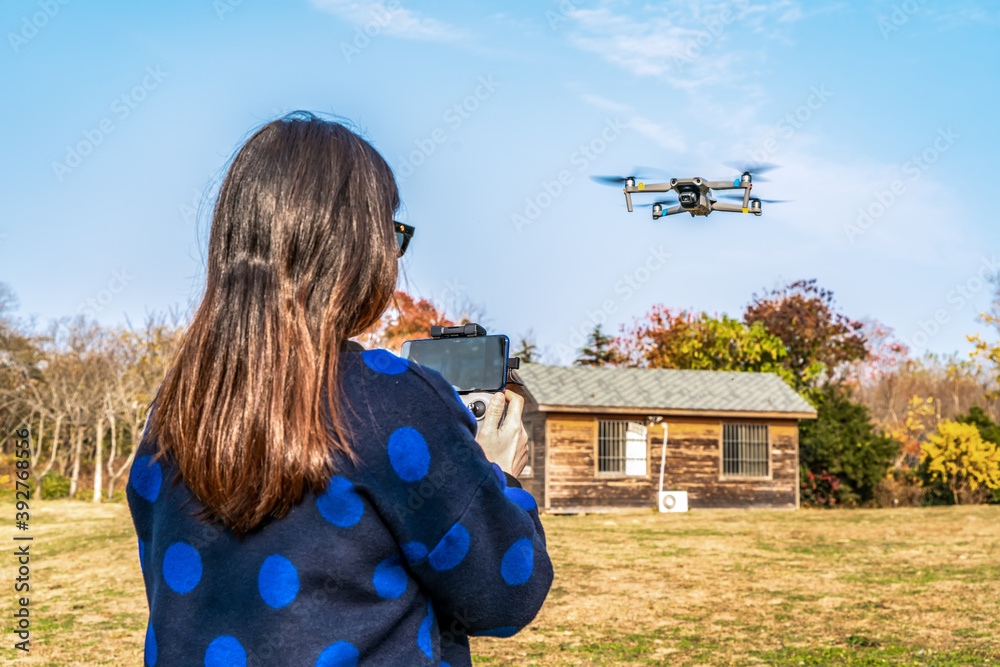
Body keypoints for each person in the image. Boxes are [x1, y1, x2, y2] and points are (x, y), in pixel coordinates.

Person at [127, 111, 552, 666]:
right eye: (391, 234)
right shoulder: (391, 399)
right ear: (355, 247)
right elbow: (503, 593)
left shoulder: (177, 411)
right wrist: (499, 475)